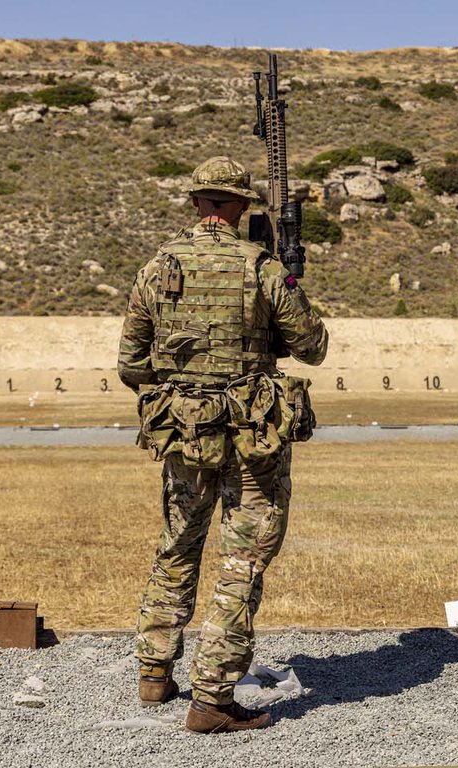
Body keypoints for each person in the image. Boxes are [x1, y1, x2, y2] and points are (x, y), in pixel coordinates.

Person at [117, 156, 328, 734]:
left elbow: (131, 364)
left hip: (184, 433)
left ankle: (154, 672)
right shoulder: (261, 267)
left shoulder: (156, 268)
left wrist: (187, 386)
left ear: (196, 203)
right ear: (241, 207)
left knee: (177, 545)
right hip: (252, 438)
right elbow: (312, 348)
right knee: (244, 558)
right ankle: (211, 697)